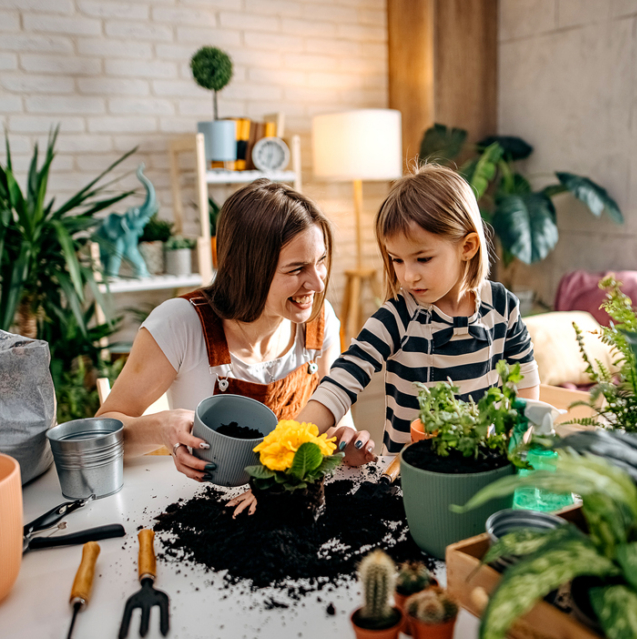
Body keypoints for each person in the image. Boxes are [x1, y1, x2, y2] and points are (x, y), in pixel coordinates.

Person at [230, 163, 541, 515]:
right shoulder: (398, 316)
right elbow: (341, 382)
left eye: (423, 258)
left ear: (467, 247)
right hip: (406, 480)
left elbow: (526, 388)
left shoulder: (502, 306)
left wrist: (517, 444)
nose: (408, 275)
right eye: (396, 260)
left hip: (482, 473)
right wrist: (280, 457)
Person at [97, 180, 355, 498]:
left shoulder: (320, 319)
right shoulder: (179, 324)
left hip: (288, 506)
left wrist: (347, 439)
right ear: (246, 269)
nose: (316, 282)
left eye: (320, 262)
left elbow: (336, 424)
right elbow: (103, 429)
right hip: (205, 507)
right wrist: (162, 427)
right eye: (297, 269)